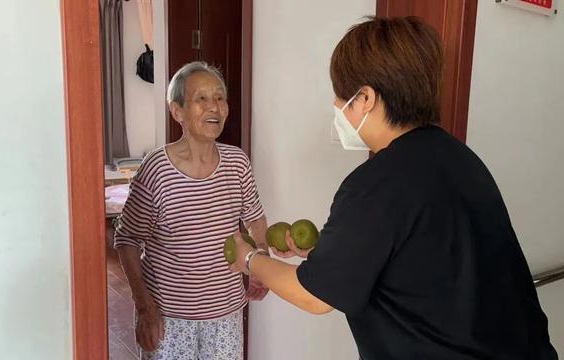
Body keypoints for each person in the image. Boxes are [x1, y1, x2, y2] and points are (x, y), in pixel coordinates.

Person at [229, 16, 558, 359]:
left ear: (366, 98)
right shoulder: (459, 158)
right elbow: (420, 259)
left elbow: (315, 297)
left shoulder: (376, 183)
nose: (337, 107)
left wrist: (249, 259)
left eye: (342, 95)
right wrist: (322, 256)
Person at [115, 61, 268, 360]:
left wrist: (260, 264)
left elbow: (255, 218)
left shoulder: (237, 163)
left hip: (225, 314)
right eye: (201, 99)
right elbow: (127, 240)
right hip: (168, 316)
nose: (215, 107)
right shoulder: (156, 169)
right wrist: (144, 307)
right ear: (177, 111)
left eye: (220, 98)